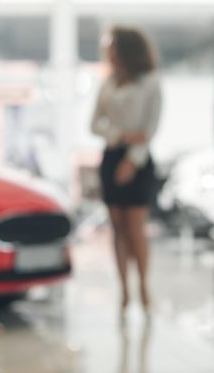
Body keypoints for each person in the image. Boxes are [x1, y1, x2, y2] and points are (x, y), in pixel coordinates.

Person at [91, 26, 161, 318]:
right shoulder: (107, 83)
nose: (107, 51)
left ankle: (143, 285)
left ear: (125, 49)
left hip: (139, 161)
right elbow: (95, 124)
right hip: (110, 156)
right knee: (117, 228)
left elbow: (149, 130)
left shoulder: (150, 83)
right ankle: (124, 290)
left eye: (111, 46)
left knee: (135, 228)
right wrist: (120, 134)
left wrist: (131, 160)